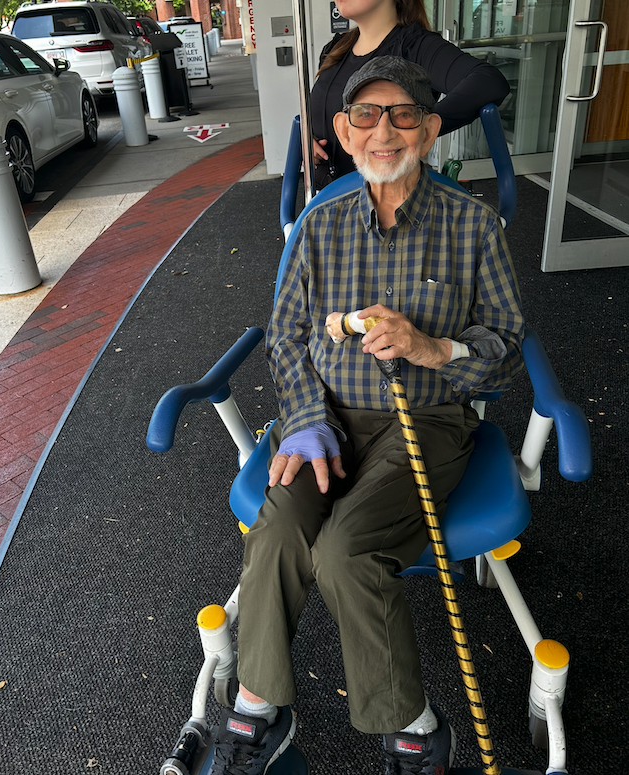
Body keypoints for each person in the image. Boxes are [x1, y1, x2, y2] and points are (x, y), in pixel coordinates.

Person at [211, 56, 524, 775]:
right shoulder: (318, 226)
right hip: (327, 418)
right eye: (365, 116)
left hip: (429, 419)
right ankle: (258, 709)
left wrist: (432, 346)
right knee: (280, 528)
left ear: (432, 129)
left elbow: (504, 346)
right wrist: (303, 417)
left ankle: (414, 727)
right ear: (344, 137)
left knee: (347, 551)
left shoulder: (472, 224)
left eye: (403, 114)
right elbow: (286, 334)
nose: (384, 130)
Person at [311, 0, 510, 186]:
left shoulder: (417, 46)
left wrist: (420, 126)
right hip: (327, 197)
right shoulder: (336, 48)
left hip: (384, 200)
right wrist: (309, 141)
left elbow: (488, 82)